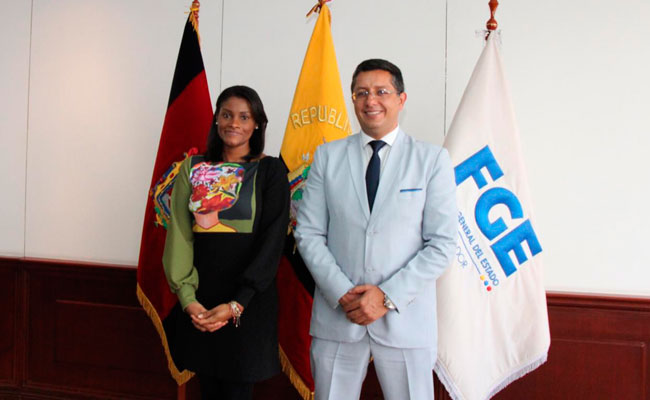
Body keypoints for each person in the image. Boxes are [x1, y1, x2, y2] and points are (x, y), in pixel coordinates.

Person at [295, 59, 457, 399]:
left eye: (381, 91)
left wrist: (386, 296)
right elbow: (308, 233)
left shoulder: (431, 160)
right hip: (339, 316)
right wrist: (342, 291)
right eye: (361, 93)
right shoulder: (327, 157)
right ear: (353, 99)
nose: (371, 100)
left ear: (401, 99)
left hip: (406, 320)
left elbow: (441, 244)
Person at [162, 85, 290, 400]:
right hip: (201, 303)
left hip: (248, 303)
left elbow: (272, 242)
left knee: (237, 391)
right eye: (227, 115)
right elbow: (180, 233)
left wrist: (237, 304)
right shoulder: (192, 167)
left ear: (257, 124)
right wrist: (189, 300)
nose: (234, 123)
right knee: (208, 389)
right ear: (216, 119)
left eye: (244, 117)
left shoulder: (271, 170)